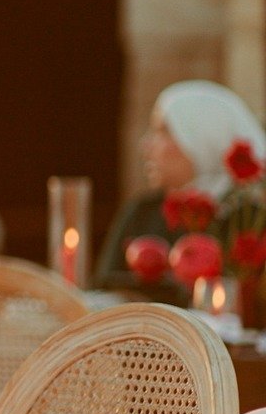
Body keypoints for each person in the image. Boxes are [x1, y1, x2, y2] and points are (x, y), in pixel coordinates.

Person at [95, 80, 266, 299]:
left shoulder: (248, 220)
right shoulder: (142, 213)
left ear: (202, 138)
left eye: (163, 131)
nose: (146, 146)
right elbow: (99, 296)